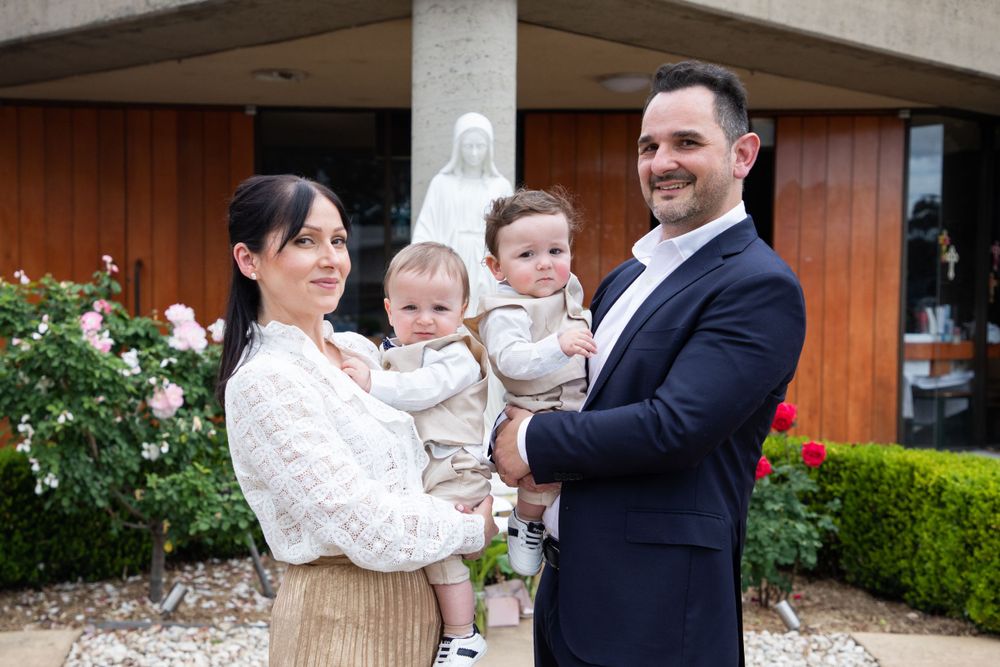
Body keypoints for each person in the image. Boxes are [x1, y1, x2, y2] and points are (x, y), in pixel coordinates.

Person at [493, 61, 807, 666]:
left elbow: (674, 429)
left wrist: (529, 439)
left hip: (657, 614)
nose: (661, 162)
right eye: (648, 146)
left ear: (743, 154)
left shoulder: (757, 284)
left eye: (686, 142)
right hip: (569, 591)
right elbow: (567, 388)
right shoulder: (625, 275)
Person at [217, 175, 497, 667]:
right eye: (305, 240)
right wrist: (471, 528)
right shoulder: (265, 381)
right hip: (340, 618)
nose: (332, 258)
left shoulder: (358, 352)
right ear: (249, 260)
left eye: (339, 240)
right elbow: (363, 524)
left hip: (423, 606)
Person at [341, 242, 493, 666]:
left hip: (453, 469)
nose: (425, 320)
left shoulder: (457, 355)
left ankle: (464, 634)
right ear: (389, 310)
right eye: (410, 308)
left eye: (440, 309)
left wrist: (371, 383)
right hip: (426, 469)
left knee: (440, 550)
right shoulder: (391, 353)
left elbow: (422, 390)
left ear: (462, 309)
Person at [464, 188, 596, 577]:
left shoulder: (568, 293)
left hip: (576, 405)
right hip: (538, 405)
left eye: (556, 251)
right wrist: (559, 345)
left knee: (566, 483)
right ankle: (525, 520)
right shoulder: (506, 309)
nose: (544, 264)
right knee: (539, 482)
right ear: (496, 266)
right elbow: (512, 359)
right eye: (527, 255)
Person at [412, 112, 514, 318]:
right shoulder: (442, 184)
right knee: (452, 304)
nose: (475, 153)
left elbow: (511, 230)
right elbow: (426, 226)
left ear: (489, 148)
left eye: (480, 146)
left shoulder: (500, 185)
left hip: (487, 259)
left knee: (486, 312)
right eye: (469, 146)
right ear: (458, 147)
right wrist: (420, 262)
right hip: (451, 257)